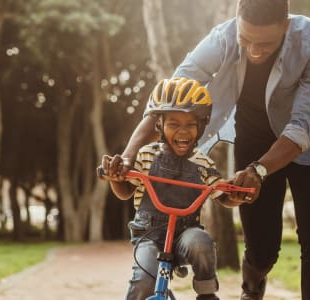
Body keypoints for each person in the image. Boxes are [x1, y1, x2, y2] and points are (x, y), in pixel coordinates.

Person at [109, 1, 310, 299]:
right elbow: (170, 96)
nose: (255, 51)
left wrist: (260, 170)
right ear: (237, 22)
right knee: (261, 249)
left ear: (286, 26)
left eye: (266, 43)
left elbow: (300, 128)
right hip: (254, 139)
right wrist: (129, 154)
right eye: (246, 40)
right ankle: (252, 289)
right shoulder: (223, 38)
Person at [102, 78, 244, 300]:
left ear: (202, 125)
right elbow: (125, 191)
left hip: (185, 235)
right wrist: (115, 177)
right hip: (149, 235)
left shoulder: (203, 162)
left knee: (202, 243)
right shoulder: (147, 155)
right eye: (174, 124)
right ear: (159, 125)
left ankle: (207, 295)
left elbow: (221, 194)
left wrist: (236, 195)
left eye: (190, 124)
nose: (183, 132)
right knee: (143, 280)